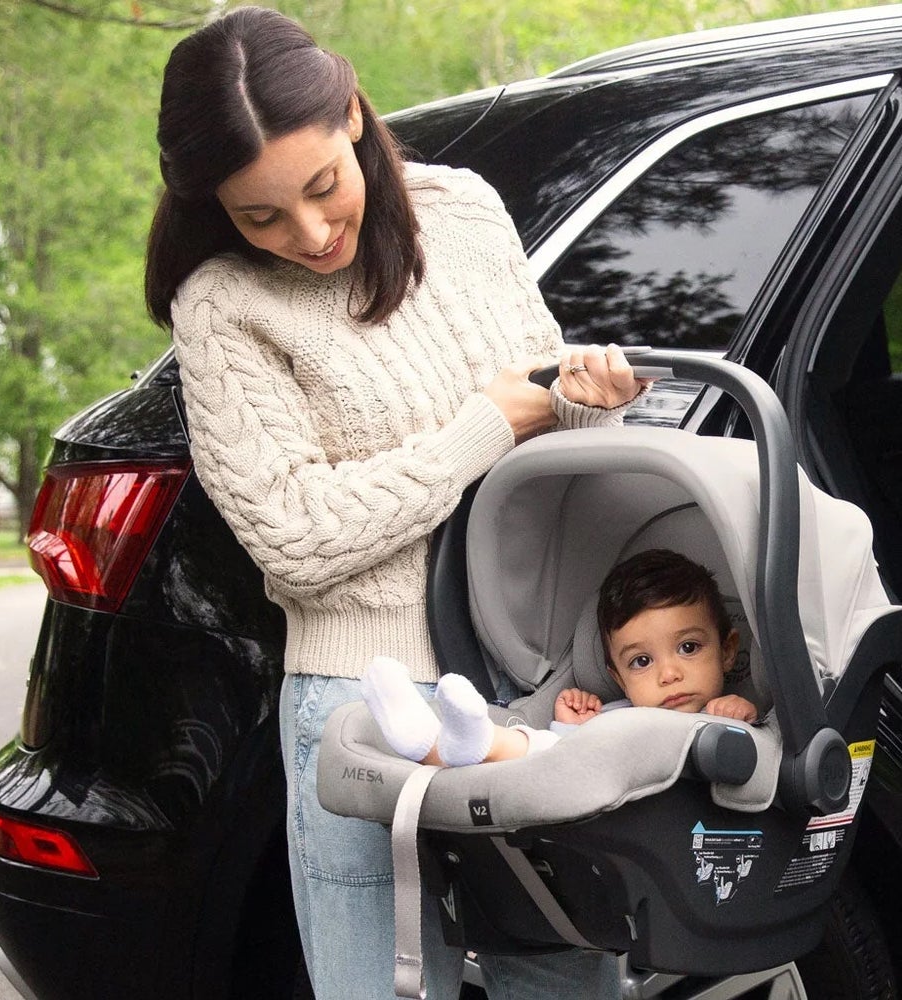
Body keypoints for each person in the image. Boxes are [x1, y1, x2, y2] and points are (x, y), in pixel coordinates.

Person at [145, 8, 644, 998]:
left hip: (525, 684)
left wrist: (593, 409)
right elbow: (293, 538)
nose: (312, 233)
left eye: (324, 186)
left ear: (356, 116)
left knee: (567, 981)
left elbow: (560, 455)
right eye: (261, 216)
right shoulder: (223, 305)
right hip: (360, 703)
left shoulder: (461, 209)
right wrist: (486, 425)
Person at [358, 548, 758, 767]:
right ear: (617, 678)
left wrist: (741, 718)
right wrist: (571, 726)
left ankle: (472, 743)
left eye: (688, 648)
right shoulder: (613, 714)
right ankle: (432, 744)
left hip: (626, 784)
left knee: (546, 753)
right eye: (641, 662)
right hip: (577, 763)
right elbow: (564, 754)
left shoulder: (726, 716)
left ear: (726, 651)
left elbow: (758, 752)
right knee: (547, 745)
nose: (669, 674)